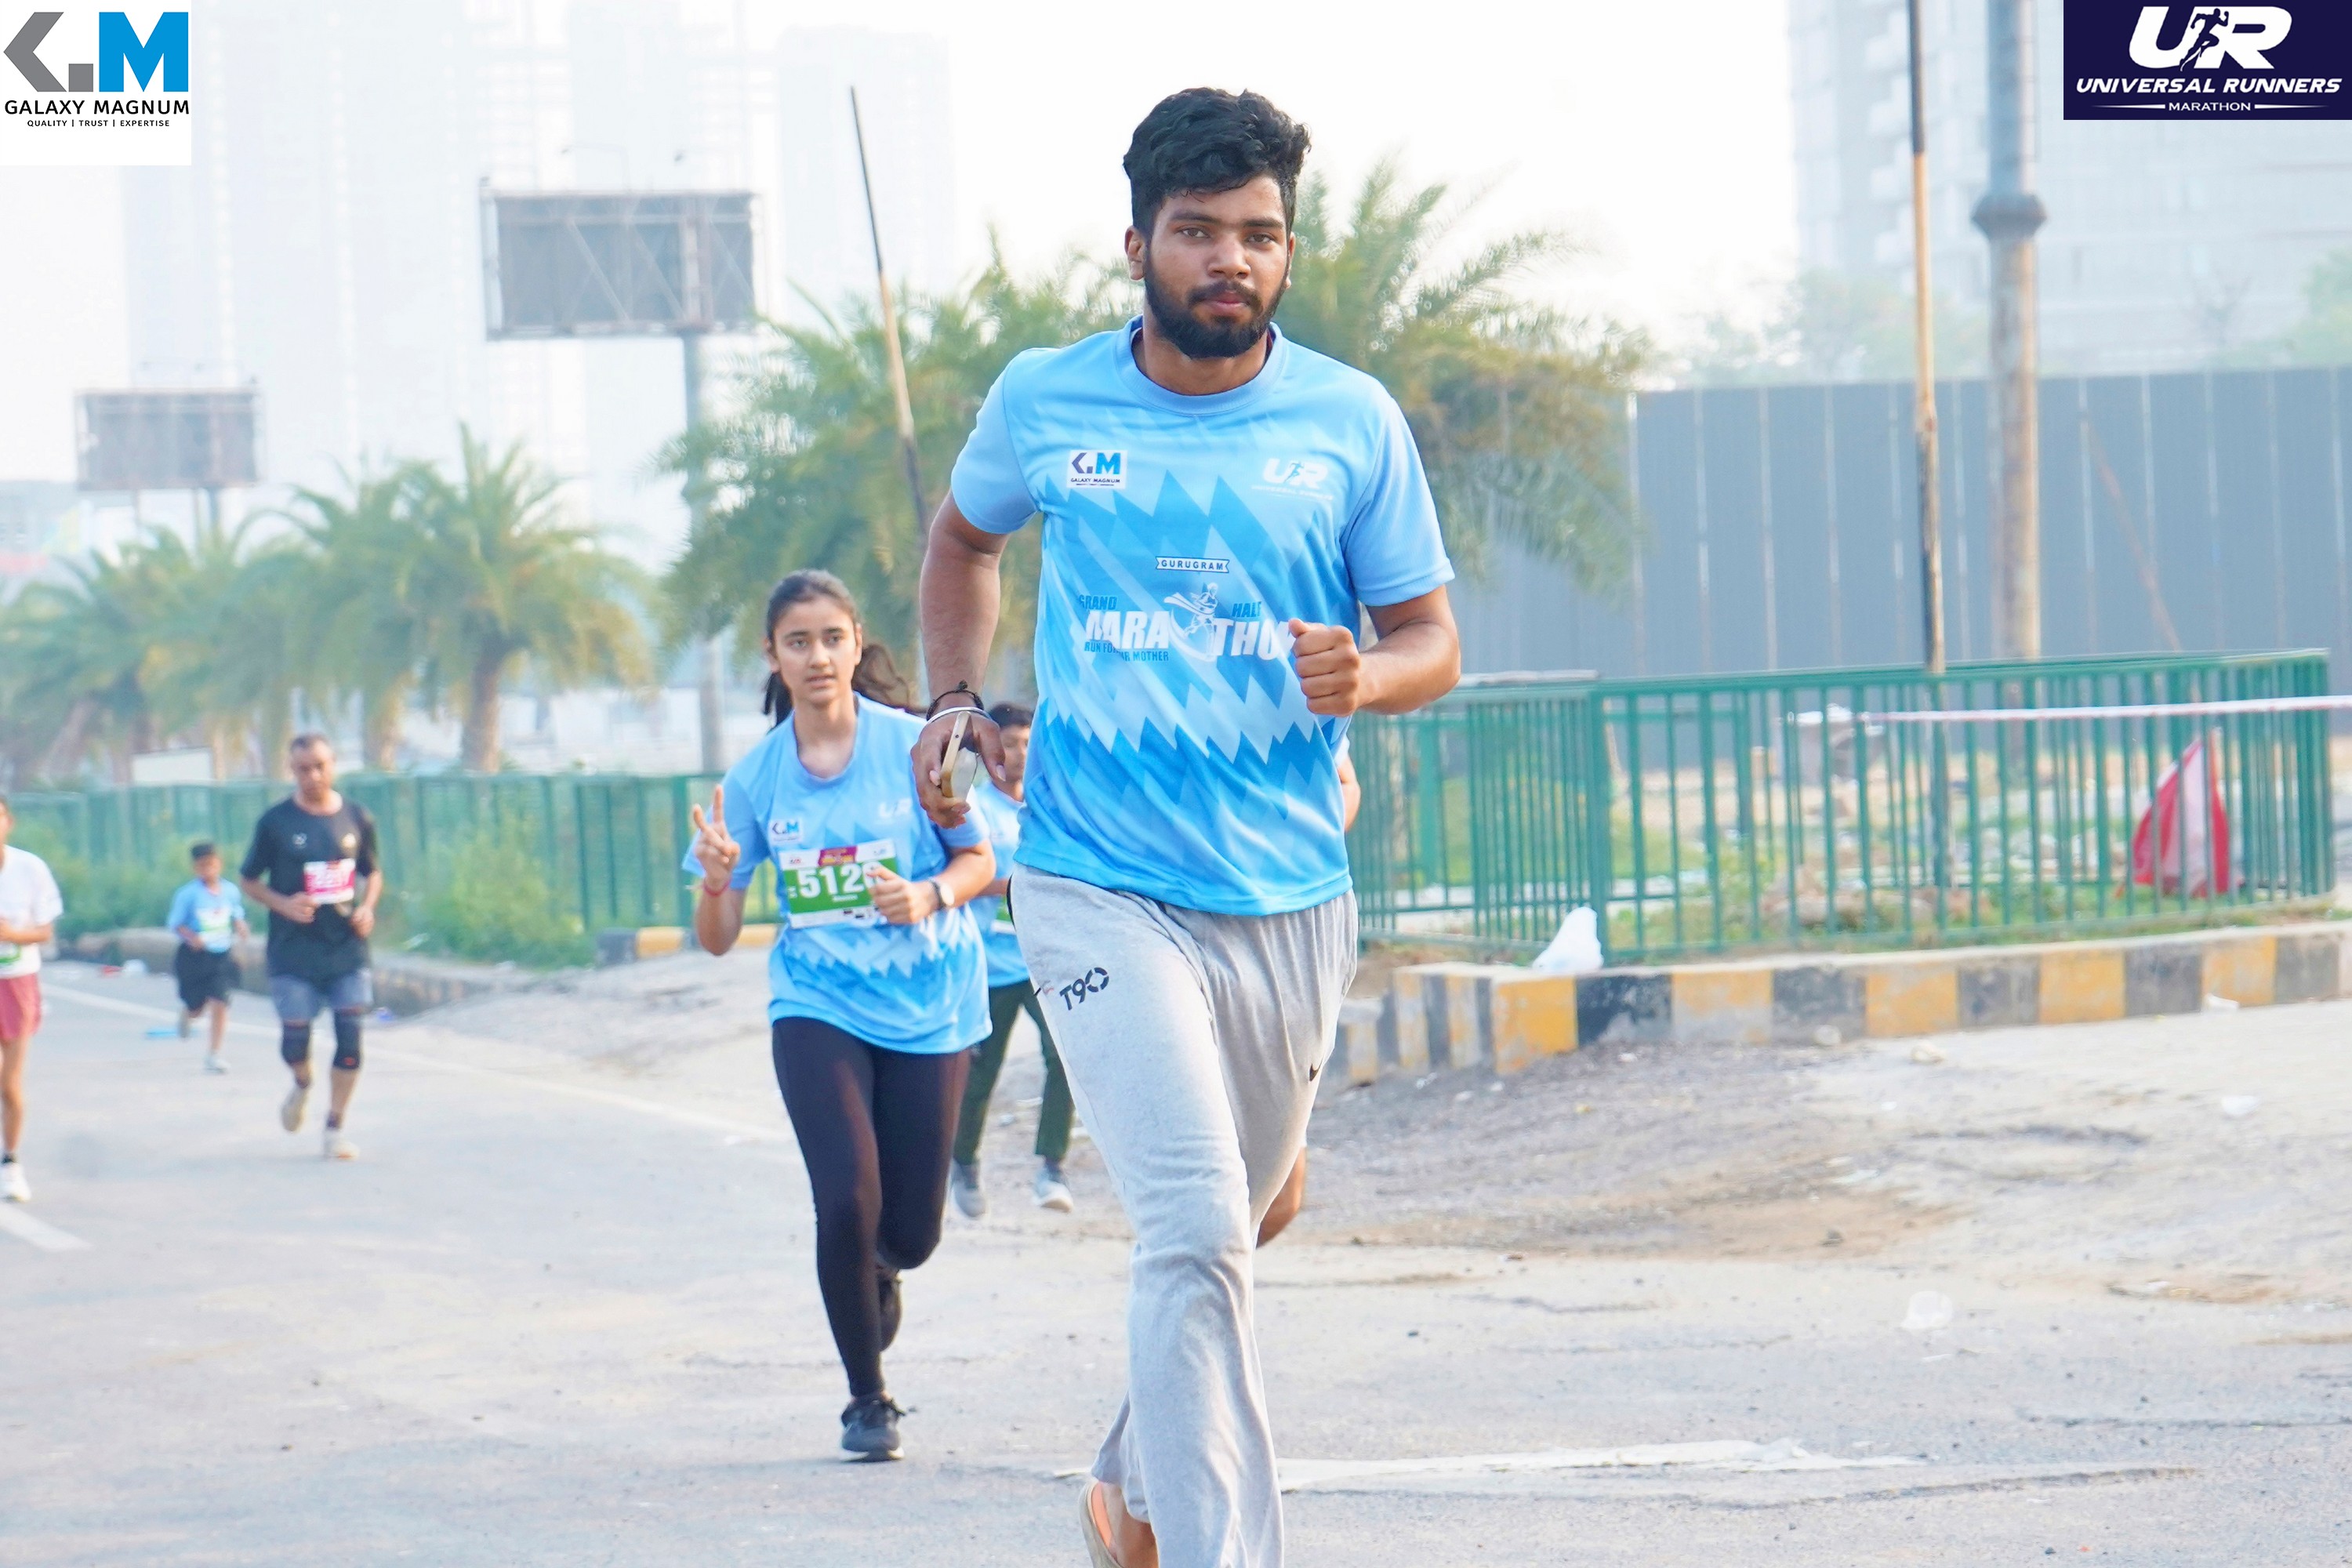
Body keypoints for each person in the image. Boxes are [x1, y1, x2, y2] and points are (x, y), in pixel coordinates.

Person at [913, 89, 1460, 1568]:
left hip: (1288, 891)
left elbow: (1430, 638)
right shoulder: (1048, 400)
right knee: (1201, 1228)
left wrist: (1370, 676)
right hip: (1095, 879)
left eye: (1260, 235)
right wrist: (954, 698)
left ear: (1287, 250)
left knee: (1244, 1216)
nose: (1232, 260)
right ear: (1139, 244)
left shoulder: (1349, 421)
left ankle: (1131, 1489)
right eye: (1200, 232)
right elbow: (964, 539)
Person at [684, 569, 996, 1462]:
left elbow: (982, 859)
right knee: (845, 1198)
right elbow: (717, 938)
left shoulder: (924, 745)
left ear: (858, 643)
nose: (817, 656)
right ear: (772, 657)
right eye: (797, 642)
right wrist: (718, 881)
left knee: (913, 1232)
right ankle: (868, 1398)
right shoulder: (754, 780)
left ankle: (884, 1268)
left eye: (831, 637)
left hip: (931, 1002)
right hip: (816, 1003)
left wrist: (929, 894)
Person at [948, 702, 1080, 1218]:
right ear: (989, 750)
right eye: (1009, 743)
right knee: (981, 1072)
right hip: (991, 964)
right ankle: (963, 1166)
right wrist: (1013, 886)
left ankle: (1052, 1167)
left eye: (1027, 743)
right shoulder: (974, 809)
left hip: (1044, 962)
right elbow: (965, 870)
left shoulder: (1049, 808)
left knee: (1065, 1056)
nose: (1019, 754)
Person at [238, 734, 381, 1161]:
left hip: (346, 948)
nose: (313, 776)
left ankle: (335, 1127)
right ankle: (302, 1084)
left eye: (320, 766)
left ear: (333, 764)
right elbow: (249, 880)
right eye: (304, 769)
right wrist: (283, 904)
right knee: (295, 1043)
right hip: (294, 951)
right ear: (292, 770)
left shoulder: (357, 817)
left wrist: (367, 908)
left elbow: (372, 872)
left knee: (351, 1041)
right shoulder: (276, 822)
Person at [0, 793, 65, 1204]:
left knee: (9, 1084)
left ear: (8, 822)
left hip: (17, 983)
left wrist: (11, 934)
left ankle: (11, 1162)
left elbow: (45, 932)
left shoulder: (30, 869)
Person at [168, 840, 249, 1073]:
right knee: (197, 1007)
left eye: (212, 865)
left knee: (220, 1002)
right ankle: (188, 1014)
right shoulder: (188, 895)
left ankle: (214, 1054)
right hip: (195, 957)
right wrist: (192, 938)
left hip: (221, 955)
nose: (208, 870)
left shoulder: (230, 891)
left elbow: (236, 914)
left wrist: (240, 925)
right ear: (195, 868)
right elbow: (176, 923)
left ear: (219, 865)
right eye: (202, 866)